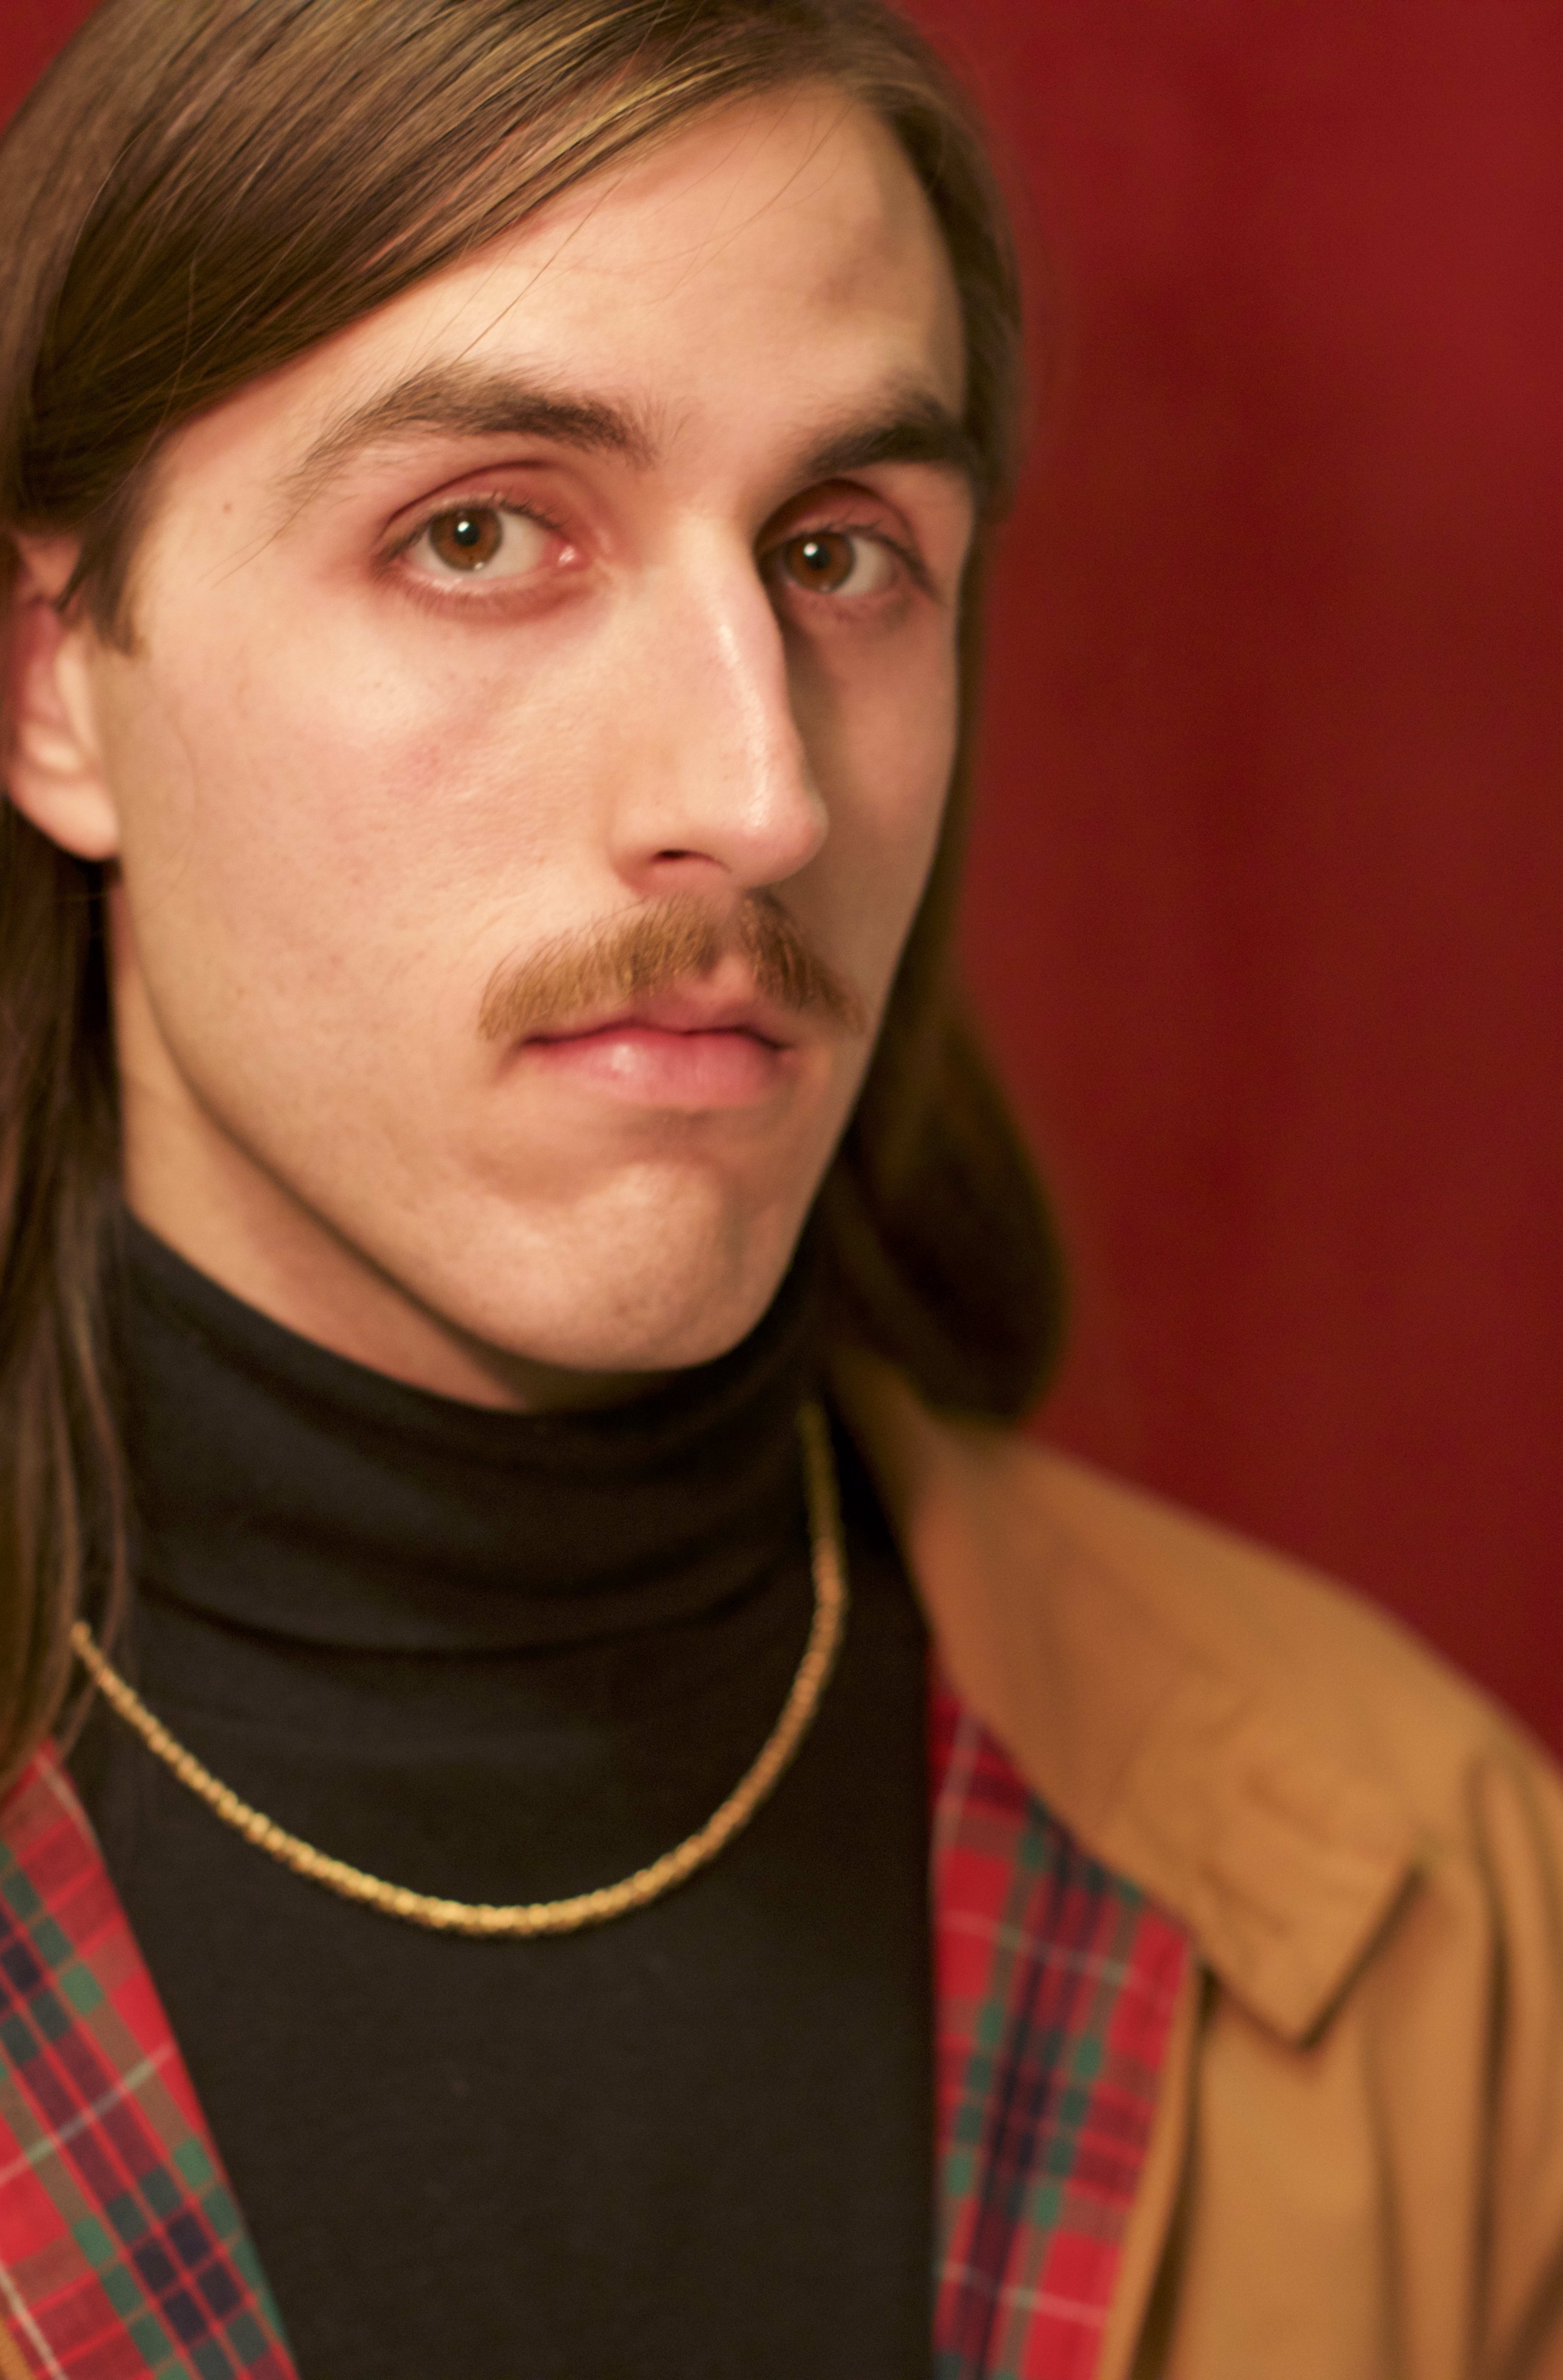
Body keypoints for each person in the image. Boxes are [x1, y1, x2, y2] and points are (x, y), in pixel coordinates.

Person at [0, 1, 1559, 2375]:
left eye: (841, 554)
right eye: (481, 534)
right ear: (54, 683)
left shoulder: (1426, 1919)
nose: (762, 796)